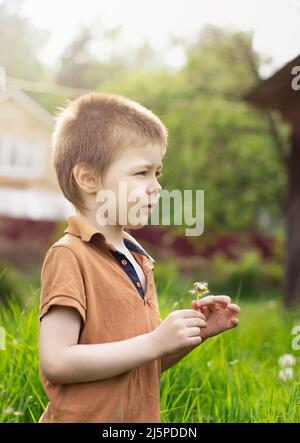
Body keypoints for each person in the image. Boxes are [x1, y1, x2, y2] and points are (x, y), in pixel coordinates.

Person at [38, 92, 240, 423]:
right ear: (89, 179)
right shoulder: (70, 256)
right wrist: (153, 342)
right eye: (141, 173)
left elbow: (143, 361)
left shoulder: (138, 259)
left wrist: (188, 337)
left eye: (157, 173)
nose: (156, 187)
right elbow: (57, 362)